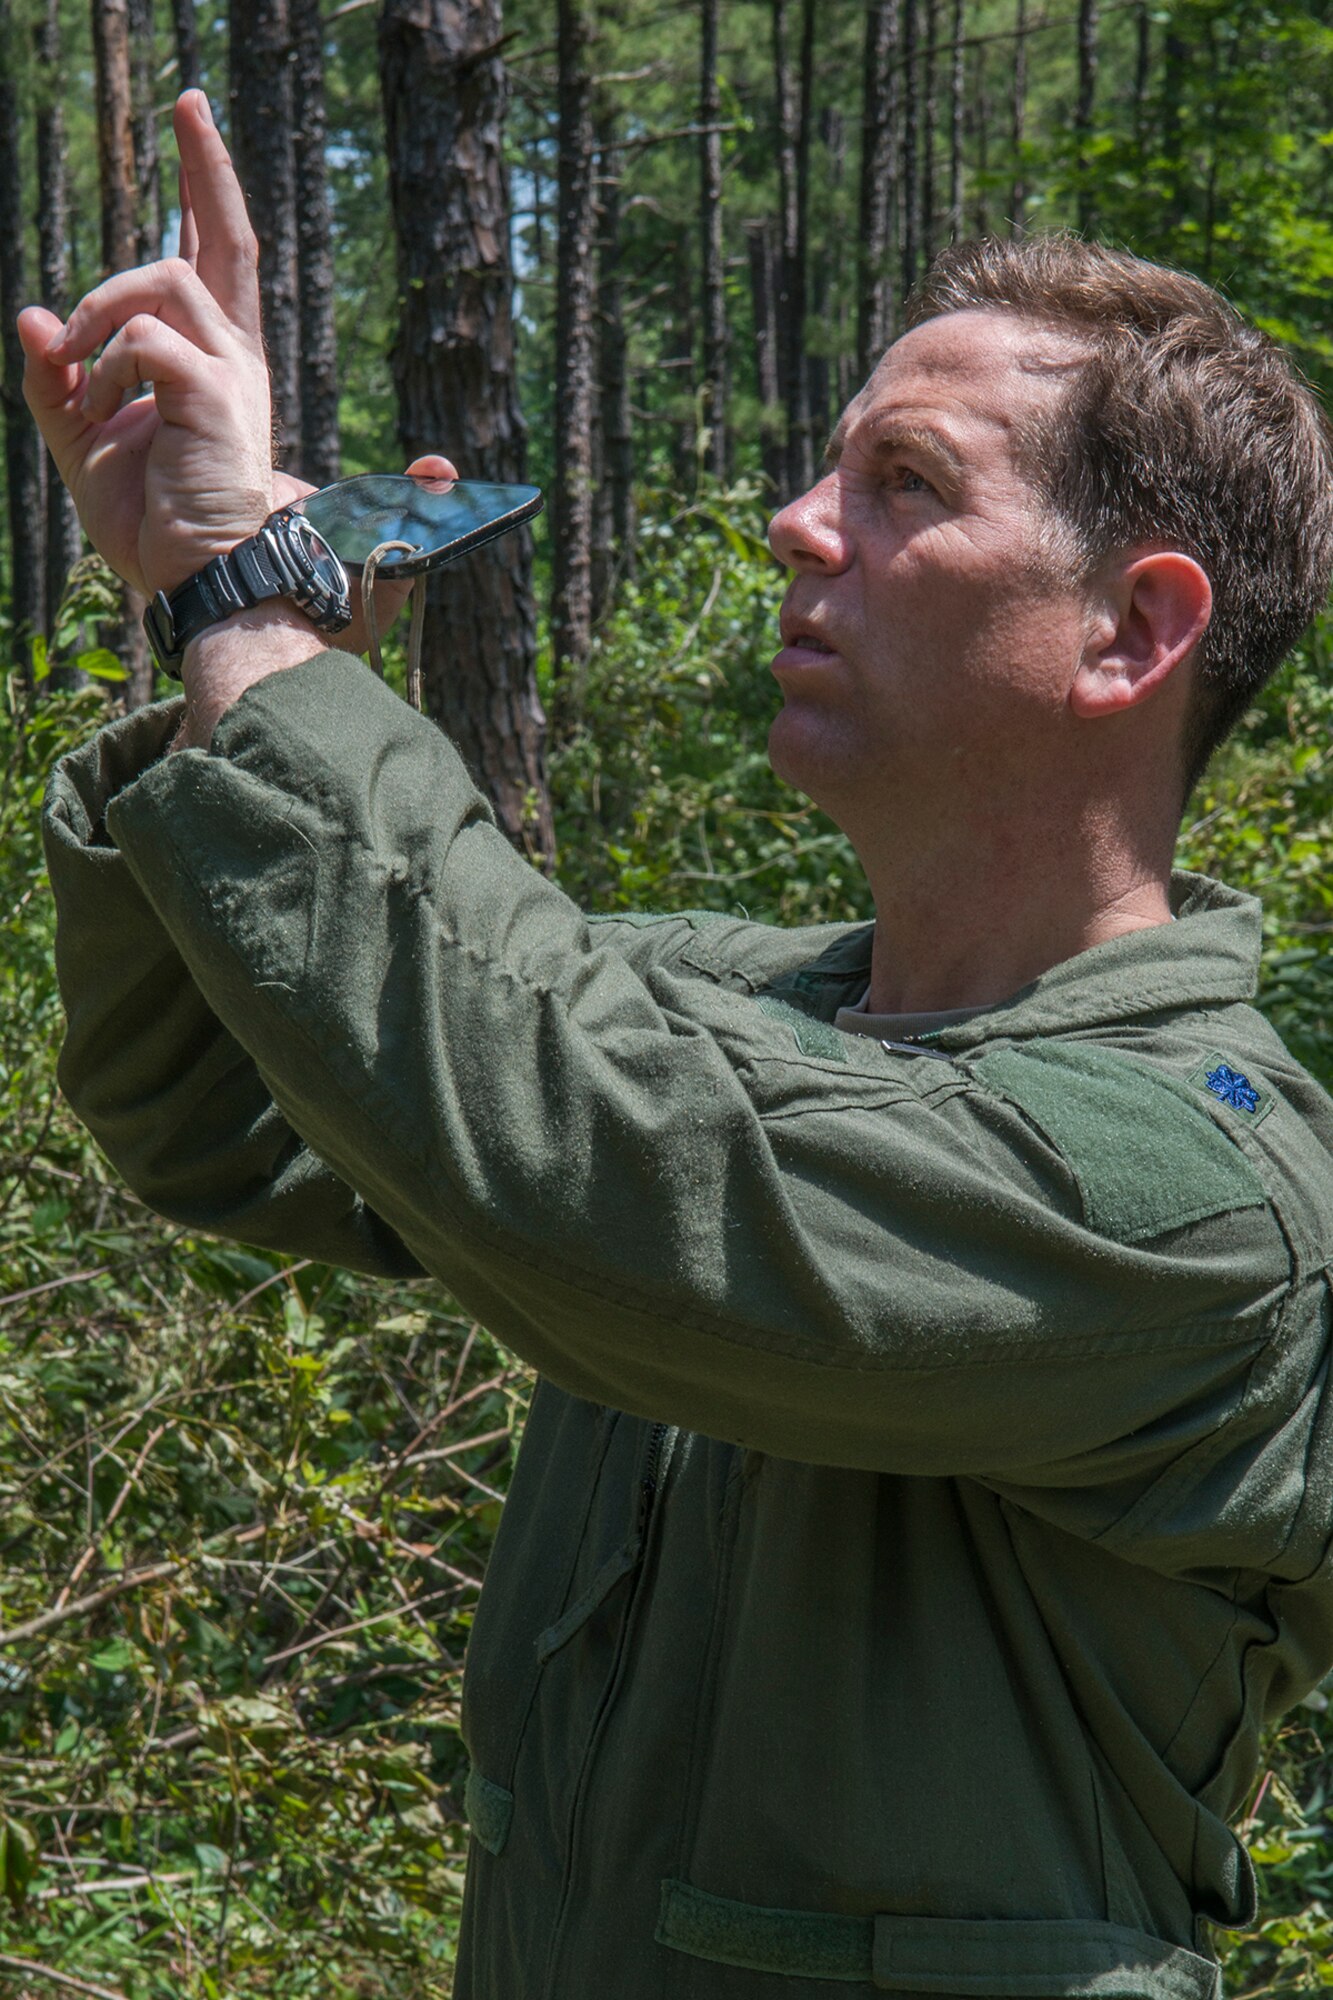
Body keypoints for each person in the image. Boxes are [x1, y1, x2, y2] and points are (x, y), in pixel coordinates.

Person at [23, 88, 1333, 2000]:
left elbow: (604, 1164)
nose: (798, 524)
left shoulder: (1193, 1187)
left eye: (905, 483)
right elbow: (221, 1097)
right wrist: (227, 651)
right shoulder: (758, 1001)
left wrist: (255, 607)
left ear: (1131, 633)